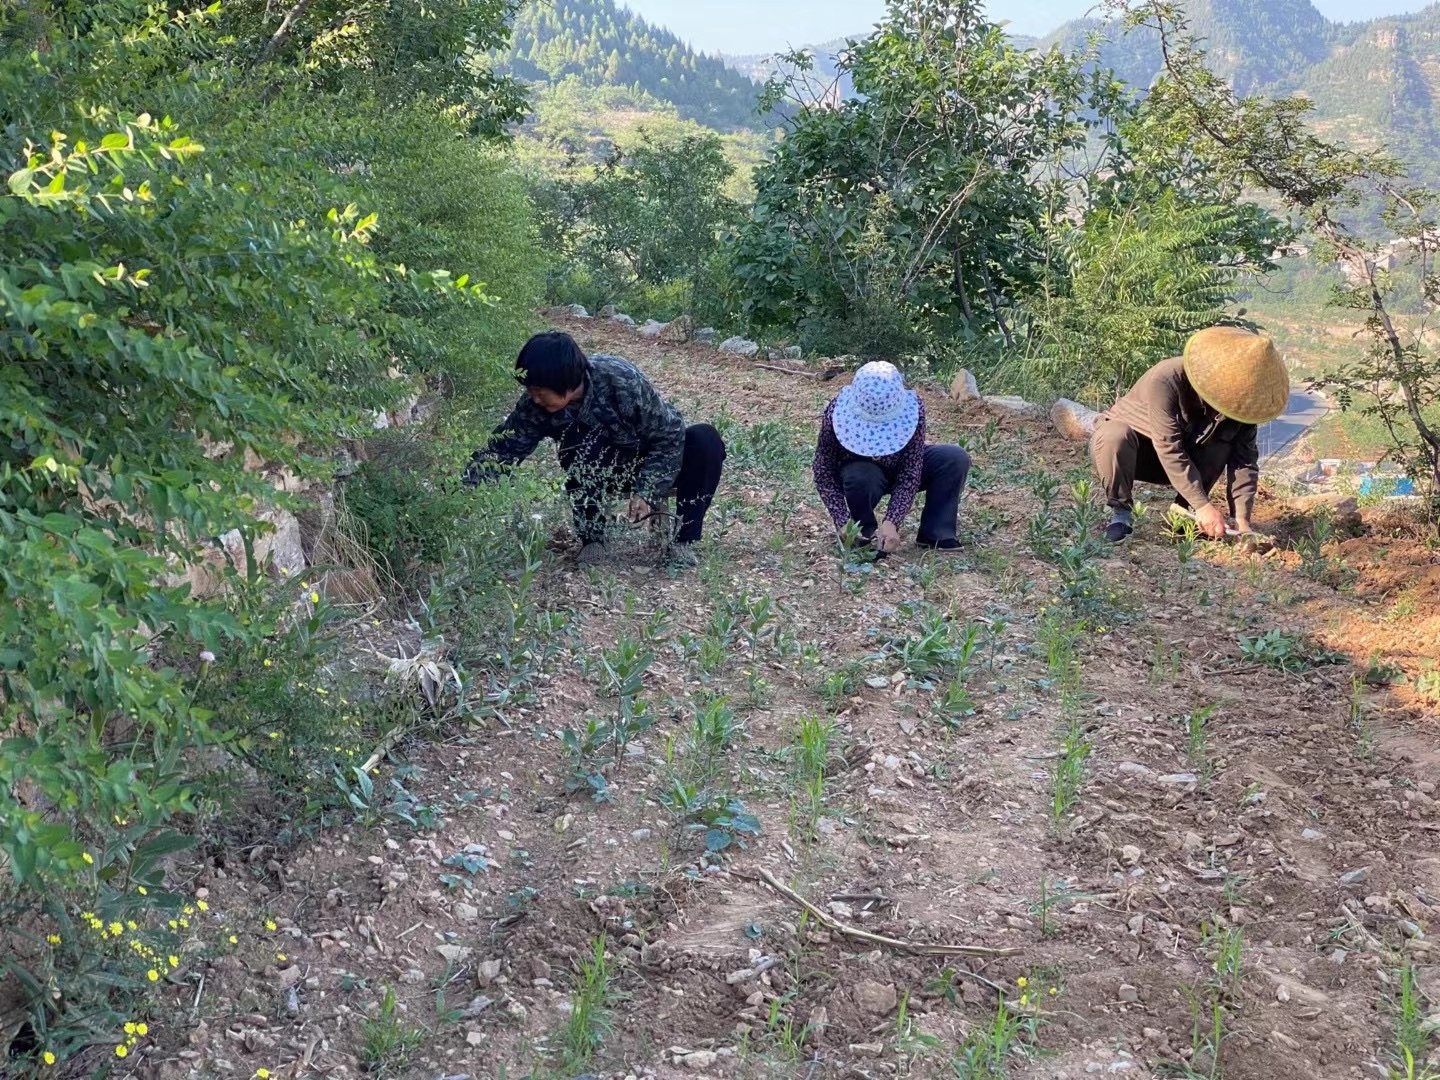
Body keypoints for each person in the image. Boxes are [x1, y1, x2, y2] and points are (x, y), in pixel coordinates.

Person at [465, 331, 725, 565]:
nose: (534, 398)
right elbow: (502, 451)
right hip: (602, 472)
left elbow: (669, 435)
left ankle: (683, 541)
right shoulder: (534, 407)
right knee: (579, 441)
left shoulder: (620, 380)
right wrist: (460, 491)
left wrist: (647, 490)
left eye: (539, 391)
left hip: (651, 463)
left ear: (565, 381)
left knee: (705, 439)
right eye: (530, 390)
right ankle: (593, 540)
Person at [1089, 326, 1289, 543]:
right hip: (1135, 456)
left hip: (1184, 464)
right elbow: (1168, 445)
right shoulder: (1167, 378)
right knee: (1114, 434)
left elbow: (1244, 462)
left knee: (1221, 446)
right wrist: (1203, 505)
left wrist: (1242, 521)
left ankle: (1183, 514)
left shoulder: (1242, 407)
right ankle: (1121, 514)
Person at [812, 360, 971, 554]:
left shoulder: (915, 410)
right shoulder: (834, 414)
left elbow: (911, 472)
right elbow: (823, 471)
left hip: (899, 465)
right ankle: (859, 531)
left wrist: (892, 522)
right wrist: (841, 519)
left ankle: (935, 533)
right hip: (862, 473)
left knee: (953, 457)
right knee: (860, 475)